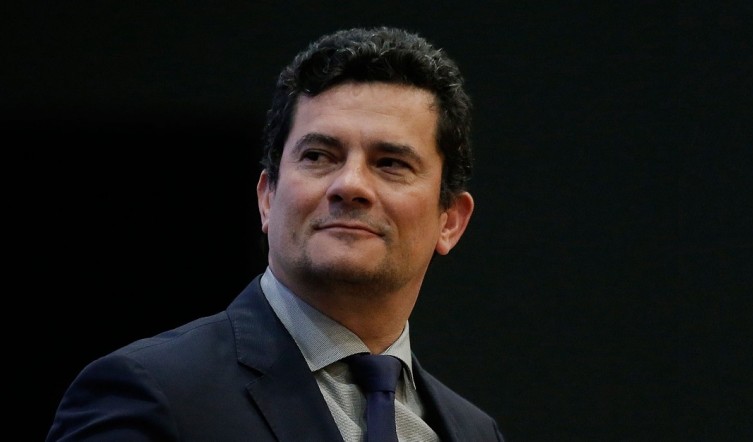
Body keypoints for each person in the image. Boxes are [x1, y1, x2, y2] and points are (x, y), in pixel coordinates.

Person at [46, 26, 505, 441]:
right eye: (318, 156)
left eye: (391, 163)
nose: (350, 185)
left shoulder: (475, 433)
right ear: (267, 197)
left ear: (450, 220)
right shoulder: (151, 394)